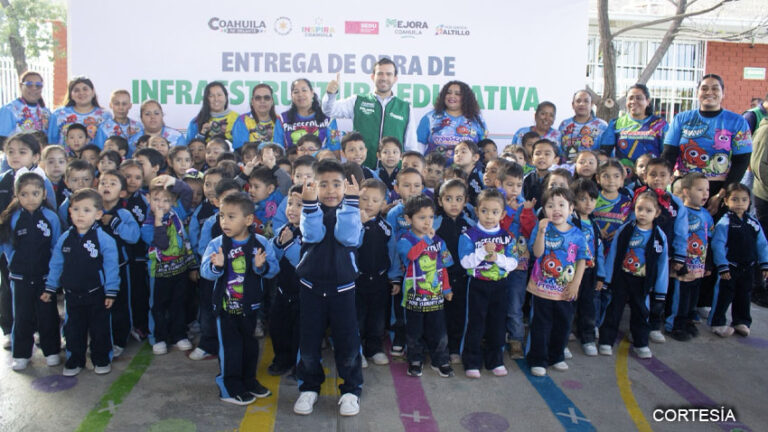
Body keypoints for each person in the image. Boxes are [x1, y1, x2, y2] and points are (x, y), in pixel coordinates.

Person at [292, 160, 363, 417]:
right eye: (323, 184)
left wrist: (351, 204)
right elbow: (312, 235)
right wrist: (310, 205)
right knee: (309, 344)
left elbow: (347, 237)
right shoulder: (310, 210)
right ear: (313, 186)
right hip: (311, 289)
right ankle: (309, 387)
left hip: (343, 290)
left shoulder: (351, 210)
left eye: (336, 184)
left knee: (348, 344)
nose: (330, 190)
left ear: (345, 186)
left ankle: (351, 390)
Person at [201, 192, 278, 405]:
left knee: (250, 347)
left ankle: (248, 380)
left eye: (231, 216)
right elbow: (205, 273)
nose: (224, 221)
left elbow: (273, 270)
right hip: (226, 309)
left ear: (248, 219)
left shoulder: (261, 243)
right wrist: (216, 266)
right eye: (222, 216)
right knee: (230, 349)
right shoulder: (217, 244)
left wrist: (261, 266)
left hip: (250, 308)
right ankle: (229, 387)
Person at [45, 188, 120, 376]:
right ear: (70, 211)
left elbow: (111, 267)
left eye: (87, 210)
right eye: (76, 209)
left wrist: (111, 291)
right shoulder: (65, 238)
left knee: (99, 330)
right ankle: (75, 360)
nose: (80, 214)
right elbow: (56, 264)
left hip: (97, 294)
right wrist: (50, 287)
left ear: (98, 214)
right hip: (72, 295)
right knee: (73, 330)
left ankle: (101, 359)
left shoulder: (104, 240)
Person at [662, 74, 752, 210]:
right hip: (684, 189)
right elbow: (668, 155)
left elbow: (742, 162)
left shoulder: (737, 121)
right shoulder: (681, 119)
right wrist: (670, 185)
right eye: (704, 89)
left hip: (719, 190)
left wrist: (722, 195)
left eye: (715, 88)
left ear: (723, 93)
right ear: (697, 93)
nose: (709, 92)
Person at [0, 173, 61, 370]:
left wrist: (54, 276)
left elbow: (57, 247)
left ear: (44, 194)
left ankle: (51, 351)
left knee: (48, 315)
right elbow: (7, 245)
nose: (30, 198)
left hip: (45, 278)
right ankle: (21, 354)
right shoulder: (13, 218)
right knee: (22, 317)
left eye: (35, 193)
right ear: (17, 195)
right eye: (24, 194)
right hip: (20, 278)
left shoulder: (51, 217)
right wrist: (14, 262)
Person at [598, 190, 668, 359]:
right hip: (622, 278)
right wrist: (607, 278)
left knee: (641, 312)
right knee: (614, 310)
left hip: (642, 281)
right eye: (639, 209)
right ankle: (606, 341)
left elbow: (662, 264)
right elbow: (613, 254)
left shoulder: (659, 236)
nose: (643, 214)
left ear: (657, 213)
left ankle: (641, 343)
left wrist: (660, 289)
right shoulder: (625, 230)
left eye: (648, 210)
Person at [526, 187, 587, 376]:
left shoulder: (578, 234)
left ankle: (556, 356)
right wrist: (541, 232)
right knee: (541, 325)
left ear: (571, 208)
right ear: (544, 210)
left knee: (563, 325)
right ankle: (538, 359)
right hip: (542, 289)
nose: (556, 209)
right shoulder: (542, 228)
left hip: (565, 291)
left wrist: (576, 284)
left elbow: (582, 261)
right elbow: (537, 253)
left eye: (562, 205)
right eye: (550, 206)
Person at [459, 189, 518, 378]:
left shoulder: (507, 237)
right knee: (475, 323)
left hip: (500, 286)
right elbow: (465, 262)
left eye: (495, 212)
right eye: (484, 211)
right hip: (477, 285)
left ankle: (496, 360)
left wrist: (497, 258)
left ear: (503, 214)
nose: (489, 216)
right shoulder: (469, 235)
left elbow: (513, 262)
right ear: (476, 211)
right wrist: (483, 252)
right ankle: (472, 361)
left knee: (498, 324)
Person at [395, 194, 454, 378]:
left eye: (430, 217)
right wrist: (427, 240)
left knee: (439, 330)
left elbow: (444, 266)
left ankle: (440, 359)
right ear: (408, 219)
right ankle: (415, 359)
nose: (427, 222)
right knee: (414, 331)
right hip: (414, 297)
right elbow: (411, 256)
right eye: (422, 217)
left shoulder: (439, 241)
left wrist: (446, 288)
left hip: (435, 296)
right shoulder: (404, 239)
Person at [323, 58, 420, 168]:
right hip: (361, 169)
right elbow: (329, 110)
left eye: (389, 74)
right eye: (380, 74)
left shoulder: (405, 107)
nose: (384, 78)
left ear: (395, 78)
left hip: (393, 172)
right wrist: (331, 94)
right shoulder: (357, 101)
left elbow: (411, 147)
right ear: (373, 77)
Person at [140, 175, 195, 355]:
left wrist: (173, 181)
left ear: (173, 202)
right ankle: (159, 338)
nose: (161, 205)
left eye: (166, 200)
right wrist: (158, 222)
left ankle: (179, 335)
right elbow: (162, 244)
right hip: (159, 274)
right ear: (148, 199)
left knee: (178, 304)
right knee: (158, 307)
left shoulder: (176, 213)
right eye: (156, 200)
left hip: (179, 269)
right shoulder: (147, 225)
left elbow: (187, 193)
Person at [709, 183, 768, 337]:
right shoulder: (724, 223)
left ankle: (741, 321)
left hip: (748, 267)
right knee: (723, 295)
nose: (740, 203)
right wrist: (722, 266)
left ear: (749, 201)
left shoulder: (753, 222)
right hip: (729, 268)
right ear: (726, 201)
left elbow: (762, 244)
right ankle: (717, 322)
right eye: (735, 199)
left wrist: (764, 264)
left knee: (744, 295)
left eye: (744, 199)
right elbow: (718, 245)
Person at [666, 172, 713, 341]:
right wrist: (676, 259)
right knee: (680, 297)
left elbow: (709, 239)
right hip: (682, 265)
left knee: (693, 296)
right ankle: (675, 324)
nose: (705, 193)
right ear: (686, 191)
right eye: (700, 190)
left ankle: (687, 320)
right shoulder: (681, 212)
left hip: (698, 264)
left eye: (707, 190)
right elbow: (675, 237)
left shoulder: (706, 215)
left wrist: (708, 263)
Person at [435, 179, 474, 363]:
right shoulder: (434, 224)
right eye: (448, 198)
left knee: (458, 314)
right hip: (439, 278)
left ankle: (454, 348)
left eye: (459, 199)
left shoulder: (470, 225)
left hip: (462, 278)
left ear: (465, 201)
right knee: (438, 315)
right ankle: (438, 348)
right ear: (440, 201)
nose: (454, 203)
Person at [356, 179, 392, 367]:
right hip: (357, 279)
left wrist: (394, 277)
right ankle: (356, 350)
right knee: (357, 317)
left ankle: (374, 348)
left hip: (379, 279)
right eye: (364, 198)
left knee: (377, 317)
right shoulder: (352, 223)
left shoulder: (386, 227)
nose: (369, 203)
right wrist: (359, 225)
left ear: (383, 204)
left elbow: (392, 252)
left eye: (375, 200)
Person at [268, 185, 303, 375]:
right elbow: (273, 256)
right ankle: (282, 360)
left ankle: (300, 364)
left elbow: (303, 263)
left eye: (299, 205)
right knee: (278, 327)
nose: (292, 209)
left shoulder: (313, 233)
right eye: (290, 203)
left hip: (304, 294)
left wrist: (289, 244)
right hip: (283, 290)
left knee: (300, 332)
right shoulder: (285, 229)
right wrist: (277, 243)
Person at [569, 179, 604, 356]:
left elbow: (599, 251)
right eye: (583, 199)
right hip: (571, 273)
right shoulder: (570, 221)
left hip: (590, 273)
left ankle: (588, 338)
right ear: (574, 201)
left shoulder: (594, 224)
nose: (588, 203)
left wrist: (601, 275)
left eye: (592, 199)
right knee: (568, 305)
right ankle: (564, 336)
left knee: (588, 306)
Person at [416, 80, 487, 161]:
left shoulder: (477, 120)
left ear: (466, 98)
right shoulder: (430, 117)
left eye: (458, 94)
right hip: (434, 167)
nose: (452, 96)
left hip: (467, 168)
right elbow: (419, 144)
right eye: (448, 93)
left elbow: (484, 146)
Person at [600, 84, 668, 164]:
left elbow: (667, 153)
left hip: (651, 170)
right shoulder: (616, 123)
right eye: (630, 98)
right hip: (624, 170)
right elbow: (605, 152)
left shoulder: (660, 124)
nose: (633, 101)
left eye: (638, 98)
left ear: (648, 101)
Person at [48, 77, 112, 146]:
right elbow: (51, 141)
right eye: (76, 90)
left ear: (93, 92)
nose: (81, 93)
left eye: (85, 89)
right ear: (71, 95)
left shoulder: (105, 115)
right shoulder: (58, 114)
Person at [281, 79, 340, 151]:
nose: (300, 95)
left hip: (321, 158)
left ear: (312, 93)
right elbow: (277, 149)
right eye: (296, 92)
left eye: (304, 90)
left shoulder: (328, 118)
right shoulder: (282, 119)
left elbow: (335, 149)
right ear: (292, 96)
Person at [557, 90, 607, 163]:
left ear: (591, 104)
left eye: (586, 101)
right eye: (578, 101)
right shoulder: (564, 124)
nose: (582, 104)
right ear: (573, 105)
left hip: (592, 167)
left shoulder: (601, 125)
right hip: (567, 166)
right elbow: (558, 149)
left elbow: (607, 153)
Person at [749, 116, 768, 307]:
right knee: (763, 242)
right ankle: (757, 287)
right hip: (765, 197)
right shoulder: (765, 131)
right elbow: (759, 166)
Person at [231, 84, 285, 150]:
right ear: (252, 101)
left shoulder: (278, 120)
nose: (262, 101)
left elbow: (279, 149)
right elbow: (240, 149)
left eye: (266, 98)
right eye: (258, 98)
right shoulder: (242, 120)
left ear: (272, 101)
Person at [0, 71, 51, 139]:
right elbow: (2, 140)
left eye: (38, 85)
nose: (34, 88)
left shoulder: (46, 112)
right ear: (21, 86)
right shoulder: (8, 110)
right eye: (29, 85)